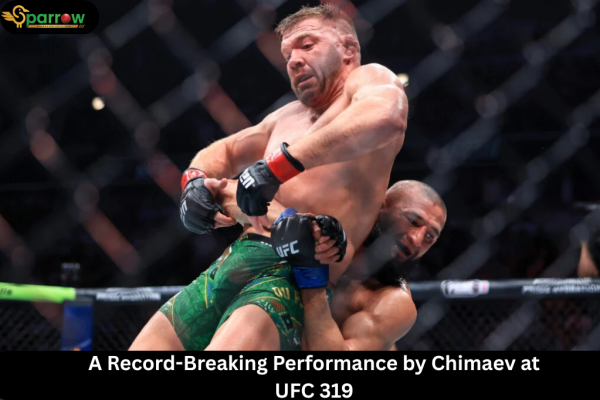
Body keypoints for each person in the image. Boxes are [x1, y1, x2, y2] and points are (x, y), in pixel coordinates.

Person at [130, 3, 408, 350]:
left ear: (348, 48)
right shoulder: (286, 116)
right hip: (232, 262)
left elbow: (387, 117)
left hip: (294, 274)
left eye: (307, 45)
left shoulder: (369, 81)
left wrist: (280, 165)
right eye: (287, 54)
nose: (293, 60)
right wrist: (194, 182)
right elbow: (227, 151)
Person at [208, 180, 446, 351]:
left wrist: (312, 276)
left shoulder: (394, 302)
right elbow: (236, 192)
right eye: (413, 221)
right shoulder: (333, 220)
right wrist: (290, 223)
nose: (416, 240)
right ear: (380, 205)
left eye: (430, 237)